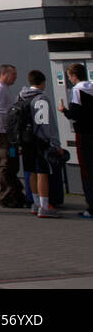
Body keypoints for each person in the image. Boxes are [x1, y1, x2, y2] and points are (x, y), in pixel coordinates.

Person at [15, 70, 67, 218]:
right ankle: (44, 206)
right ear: (42, 82)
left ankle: (35, 203)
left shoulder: (20, 95)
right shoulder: (41, 98)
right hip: (40, 140)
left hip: (25, 140)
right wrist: (55, 144)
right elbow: (46, 123)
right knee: (42, 172)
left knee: (31, 171)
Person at [59, 63, 93, 218]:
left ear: (73, 75)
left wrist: (64, 111)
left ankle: (91, 206)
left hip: (84, 134)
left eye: (69, 76)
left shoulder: (77, 90)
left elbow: (75, 113)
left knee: (86, 169)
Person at [0, 64, 25, 207]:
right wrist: (12, 117)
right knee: (7, 163)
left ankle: (15, 194)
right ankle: (7, 196)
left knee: (12, 162)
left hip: (6, 132)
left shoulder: (3, 89)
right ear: (5, 74)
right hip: (3, 132)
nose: (15, 77)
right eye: (13, 74)